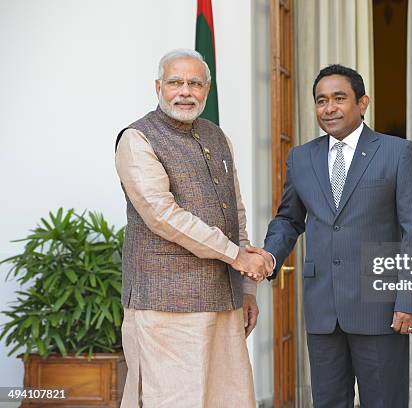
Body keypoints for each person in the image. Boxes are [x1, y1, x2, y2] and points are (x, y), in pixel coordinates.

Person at [253, 64, 412, 407]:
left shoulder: (397, 152)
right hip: (323, 310)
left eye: (339, 98)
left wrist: (410, 300)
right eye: (321, 100)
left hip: (379, 307)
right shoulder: (302, 158)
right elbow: (289, 219)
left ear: (362, 103)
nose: (329, 108)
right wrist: (268, 256)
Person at [114, 49, 271, 407]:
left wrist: (246, 289)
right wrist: (236, 257)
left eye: (194, 83)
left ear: (207, 89)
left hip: (223, 303)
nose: (185, 91)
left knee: (227, 399)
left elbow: (237, 218)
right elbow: (163, 215)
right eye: (175, 82)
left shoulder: (218, 138)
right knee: (172, 400)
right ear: (158, 87)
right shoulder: (137, 140)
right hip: (165, 305)